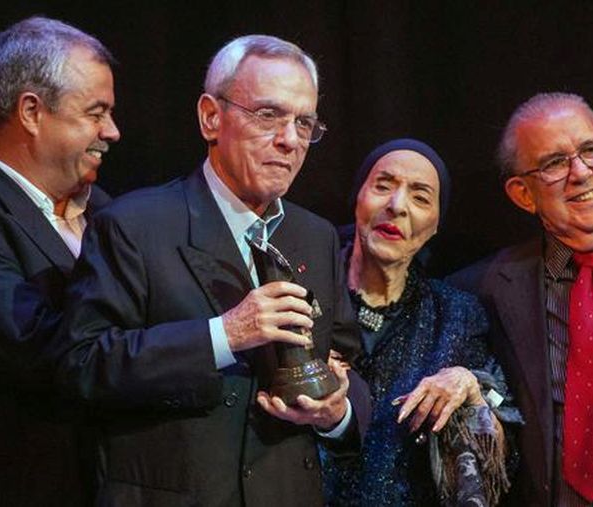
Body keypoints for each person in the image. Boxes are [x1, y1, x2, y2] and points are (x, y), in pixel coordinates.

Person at [57, 35, 371, 506]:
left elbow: (348, 362)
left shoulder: (317, 236)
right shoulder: (134, 225)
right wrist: (224, 335)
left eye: (304, 123)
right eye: (268, 115)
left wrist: (338, 410)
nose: (289, 140)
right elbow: (82, 364)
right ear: (211, 117)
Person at [448, 92, 593, 506]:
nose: (580, 172)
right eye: (554, 163)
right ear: (523, 194)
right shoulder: (479, 291)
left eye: (592, 150)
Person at [0, 16, 120, 506]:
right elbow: (42, 350)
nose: (112, 132)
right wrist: (211, 338)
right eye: (96, 113)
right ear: (32, 111)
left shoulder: (109, 212)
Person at [322, 139, 521, 506]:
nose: (396, 206)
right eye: (383, 185)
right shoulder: (306, 293)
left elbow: (504, 446)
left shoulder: (457, 315)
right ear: (358, 198)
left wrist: (472, 387)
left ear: (434, 227)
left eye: (420, 197)